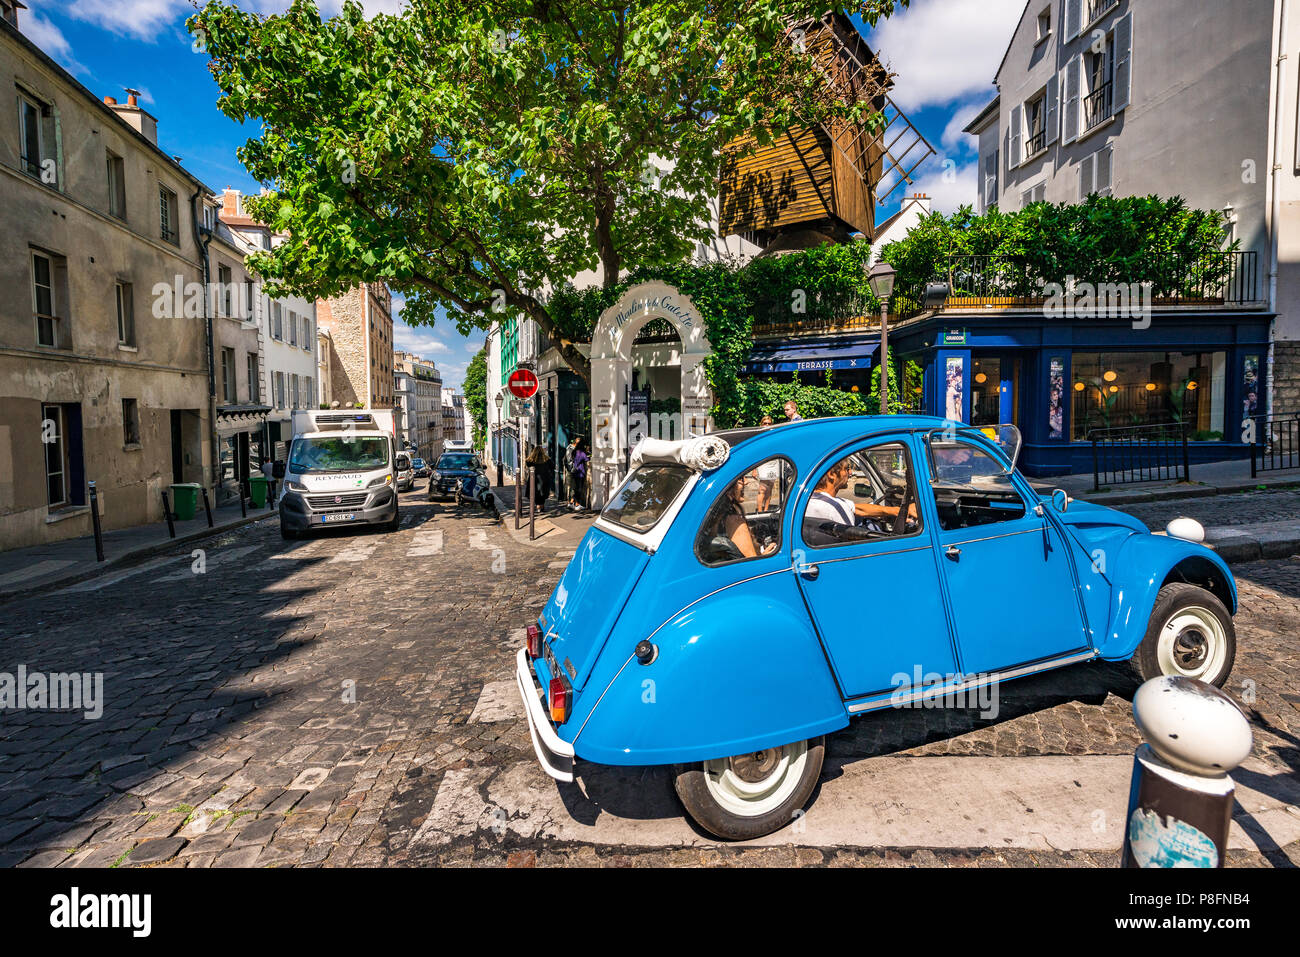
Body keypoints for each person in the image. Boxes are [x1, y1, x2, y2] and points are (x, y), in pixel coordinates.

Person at [716, 476, 777, 559]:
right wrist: (767, 554)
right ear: (728, 488)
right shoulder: (735, 522)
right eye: (741, 479)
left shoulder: (718, 516)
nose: (747, 481)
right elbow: (753, 564)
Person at [754, 420, 779, 512]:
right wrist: (754, 469)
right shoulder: (759, 436)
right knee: (762, 489)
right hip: (763, 463)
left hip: (773, 463)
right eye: (765, 423)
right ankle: (760, 511)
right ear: (761, 424)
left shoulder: (774, 435)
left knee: (769, 489)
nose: (767, 425)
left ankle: (766, 510)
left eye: (769, 423)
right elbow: (756, 453)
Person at [526, 443, 553, 509]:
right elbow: (552, 466)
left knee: (535, 492)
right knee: (543, 492)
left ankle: (538, 505)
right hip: (544, 478)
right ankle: (542, 505)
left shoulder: (531, 460)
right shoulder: (547, 459)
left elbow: (527, 463)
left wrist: (531, 456)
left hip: (534, 479)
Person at [566, 437, 588, 511]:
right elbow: (586, 459)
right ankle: (577, 504)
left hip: (574, 472)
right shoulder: (582, 453)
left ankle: (571, 503)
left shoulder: (574, 452)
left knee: (574, 488)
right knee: (579, 489)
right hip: (580, 472)